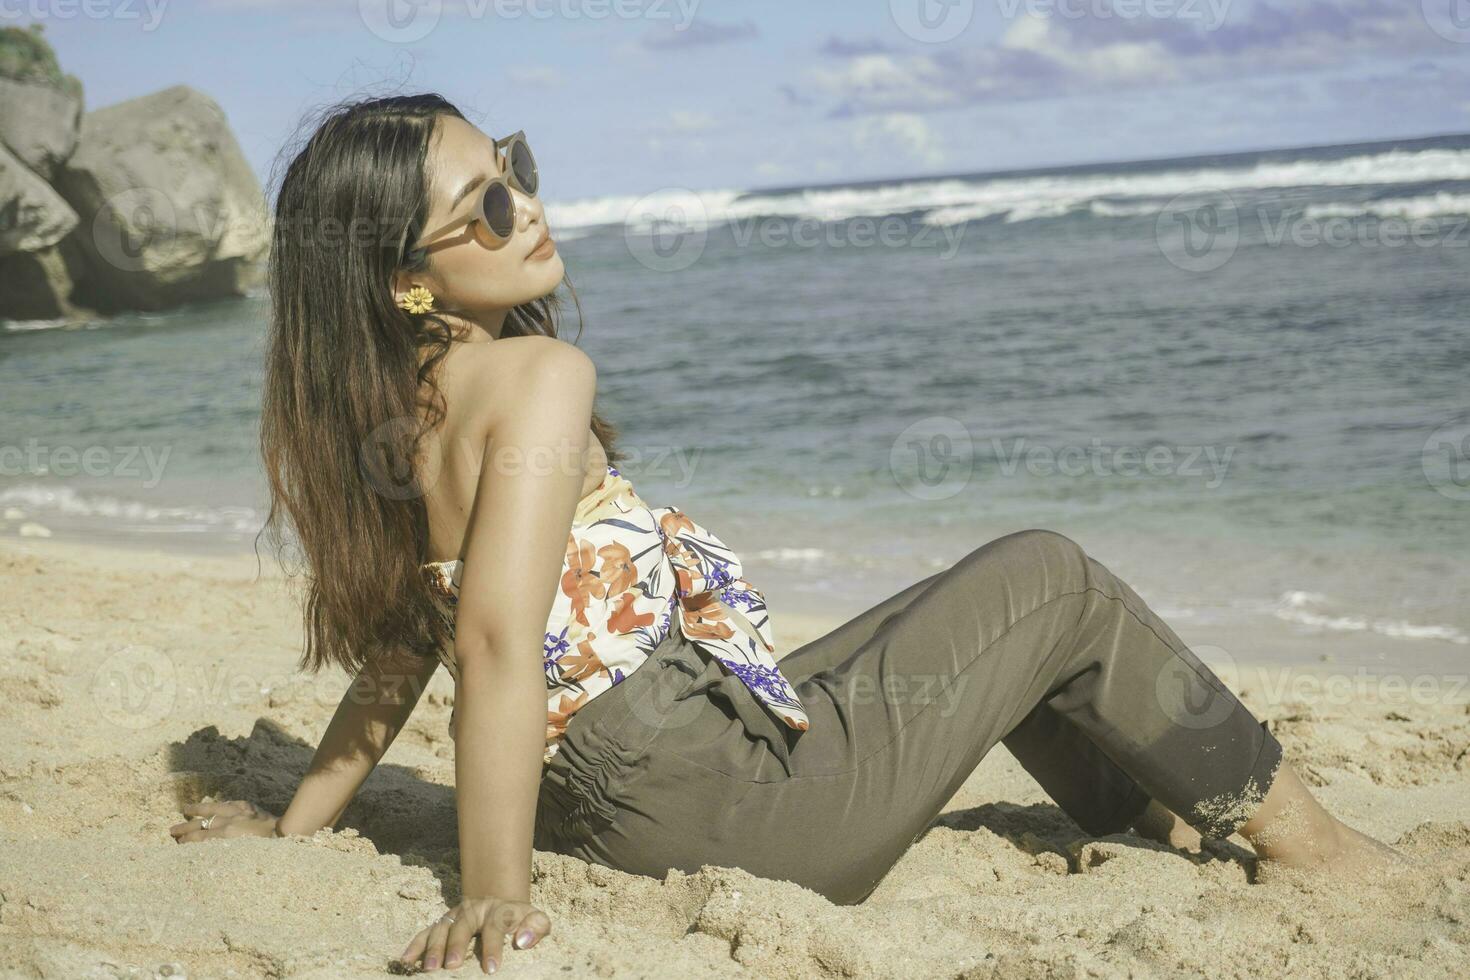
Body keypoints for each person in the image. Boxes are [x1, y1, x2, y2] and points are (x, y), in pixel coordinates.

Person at [169, 94, 1403, 976]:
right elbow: (490, 643)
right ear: (406, 280)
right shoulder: (539, 373)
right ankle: (1326, 852)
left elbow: (404, 646)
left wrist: (296, 823)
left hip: (634, 782)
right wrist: (493, 893)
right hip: (717, 801)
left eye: (517, 165)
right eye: (487, 201)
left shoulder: (404, 409)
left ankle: (1149, 814)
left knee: (963, 619)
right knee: (1052, 578)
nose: (528, 204)